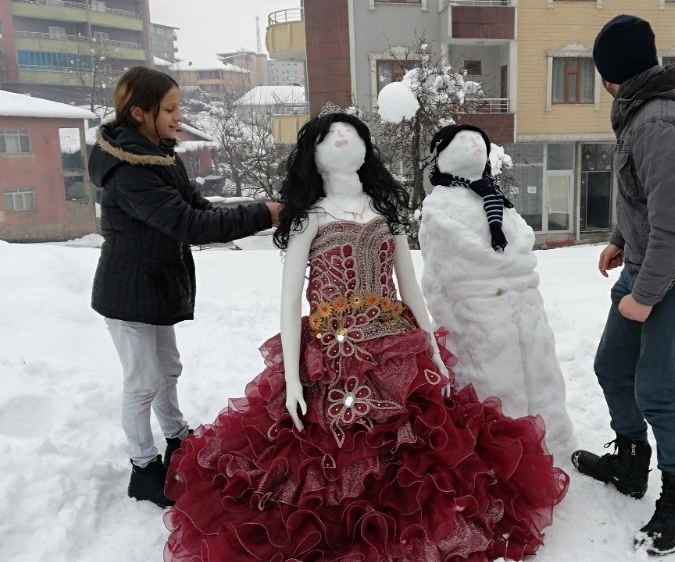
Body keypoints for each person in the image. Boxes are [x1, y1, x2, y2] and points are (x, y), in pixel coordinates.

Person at [163, 111, 568, 562]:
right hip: (330, 353)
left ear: (366, 147)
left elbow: (409, 286)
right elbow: (290, 298)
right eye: (330, 135)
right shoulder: (307, 218)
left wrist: (431, 344)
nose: (341, 139)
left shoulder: (385, 214)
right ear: (311, 154)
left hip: (395, 345)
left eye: (351, 133)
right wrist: (294, 381)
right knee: (328, 456)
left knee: (417, 445)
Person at [88, 66, 281, 509]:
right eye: (170, 109)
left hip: (153, 287)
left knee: (167, 368)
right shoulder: (130, 169)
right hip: (128, 291)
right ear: (139, 112)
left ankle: (176, 438)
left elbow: (199, 207)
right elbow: (188, 224)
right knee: (141, 382)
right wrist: (265, 214)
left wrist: (263, 209)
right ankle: (143, 468)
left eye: (179, 107)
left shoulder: (160, 156)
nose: (179, 117)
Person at [570, 14, 675, 555]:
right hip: (650, 258)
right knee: (612, 367)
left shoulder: (657, 123)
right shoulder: (644, 110)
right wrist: (620, 237)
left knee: (656, 389)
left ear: (608, 78)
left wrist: (643, 297)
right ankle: (632, 462)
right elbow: (647, 198)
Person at [418, 123, 576, 457]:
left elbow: (522, 241)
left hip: (523, 304)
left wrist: (512, 270)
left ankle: (551, 439)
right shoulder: (439, 206)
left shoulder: (497, 199)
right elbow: (450, 261)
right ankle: (501, 448)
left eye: (480, 142)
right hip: (479, 310)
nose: (475, 147)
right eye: (465, 142)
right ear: (443, 154)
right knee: (493, 377)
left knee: (539, 370)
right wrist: (503, 270)